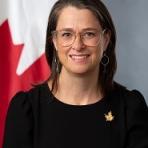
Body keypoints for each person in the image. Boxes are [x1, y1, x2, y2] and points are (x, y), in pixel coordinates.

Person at [3, 0, 148, 148]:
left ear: (105, 39)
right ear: (54, 41)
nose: (78, 45)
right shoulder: (26, 110)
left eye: (89, 34)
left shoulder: (130, 108)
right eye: (67, 34)